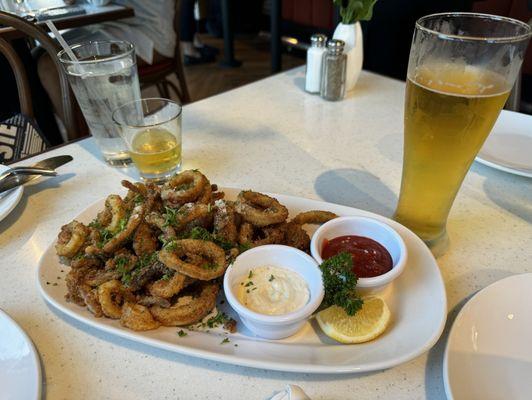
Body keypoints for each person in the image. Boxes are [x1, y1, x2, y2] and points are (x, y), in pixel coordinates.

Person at [37, 0, 178, 139]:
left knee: (50, 64)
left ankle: (78, 139)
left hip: (148, 32)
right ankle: (54, 140)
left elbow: (99, 2)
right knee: (40, 52)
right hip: (115, 23)